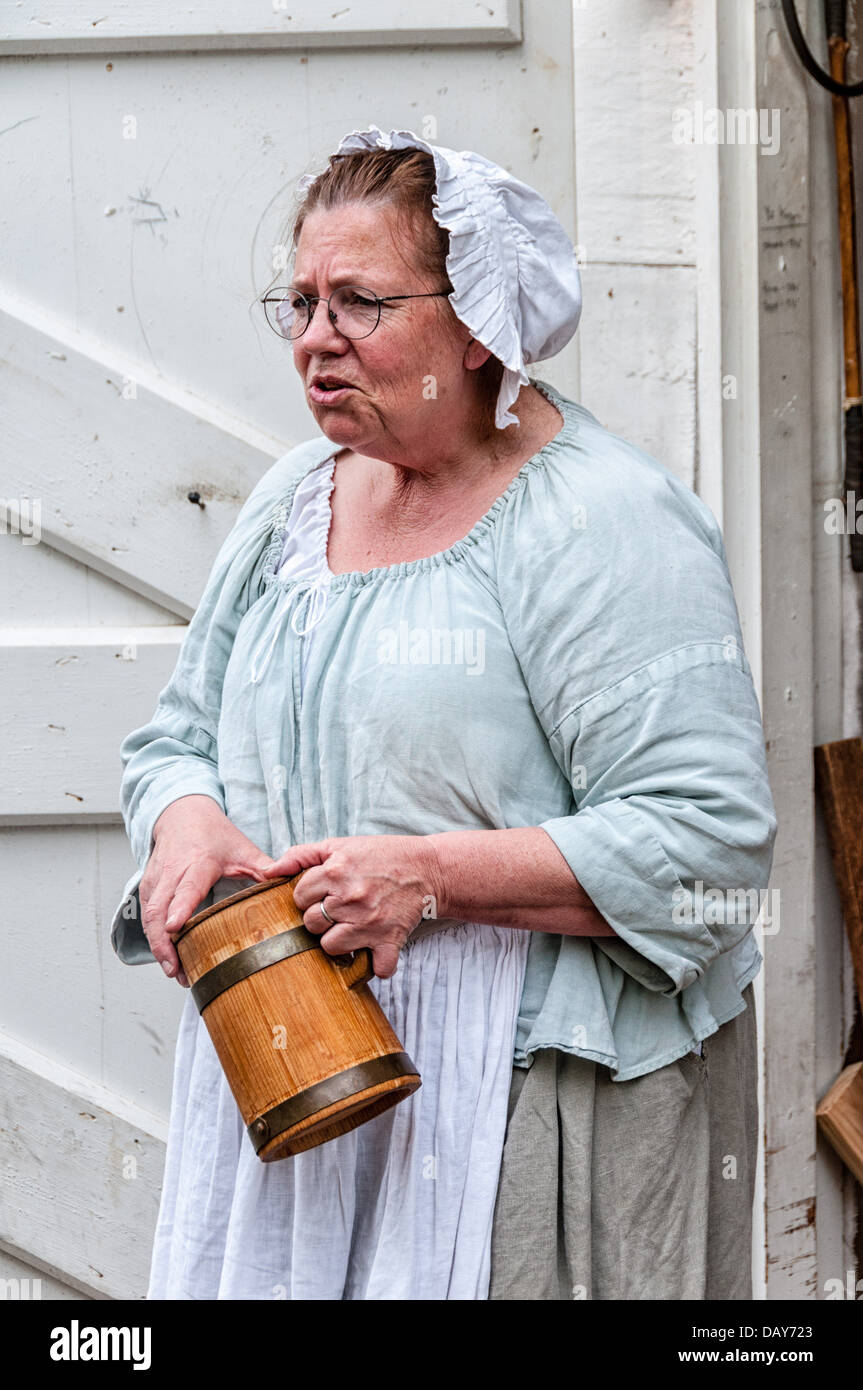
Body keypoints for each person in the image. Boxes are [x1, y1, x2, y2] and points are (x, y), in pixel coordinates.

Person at [110, 125, 777, 1301]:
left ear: (476, 322)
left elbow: (708, 844)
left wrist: (428, 876)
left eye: (359, 302)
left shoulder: (600, 524)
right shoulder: (290, 499)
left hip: (515, 1101)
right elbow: (177, 736)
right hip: (302, 1086)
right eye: (302, 301)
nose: (316, 340)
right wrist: (187, 818)